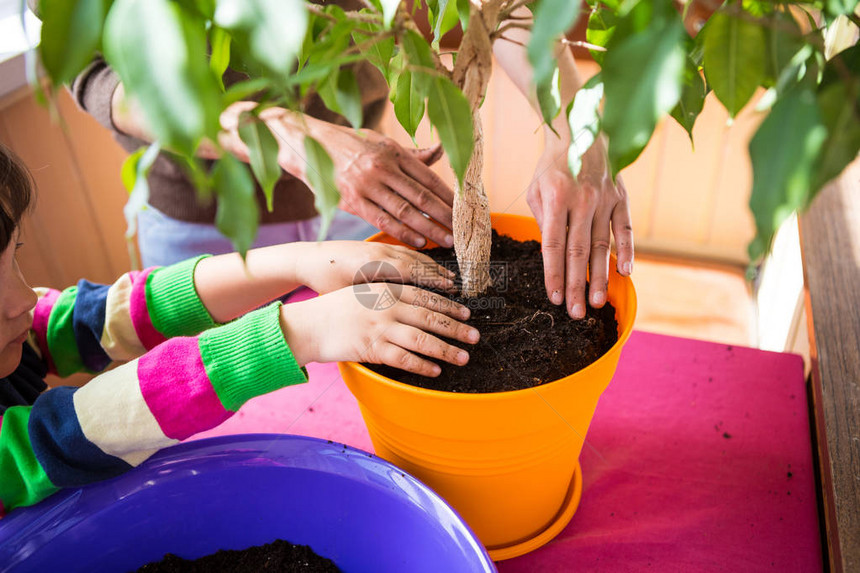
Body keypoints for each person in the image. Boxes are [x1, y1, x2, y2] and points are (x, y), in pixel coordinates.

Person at [69, 4, 634, 320]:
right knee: (203, 411)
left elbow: (505, 9)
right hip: (204, 226)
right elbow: (97, 74)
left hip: (359, 200)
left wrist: (576, 135)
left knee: (367, 353)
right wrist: (293, 137)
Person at [0, 145, 479, 516]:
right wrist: (292, 333)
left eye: (14, 256)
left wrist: (298, 262)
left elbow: (110, 315)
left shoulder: (19, 326)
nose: (23, 299)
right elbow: (71, 434)